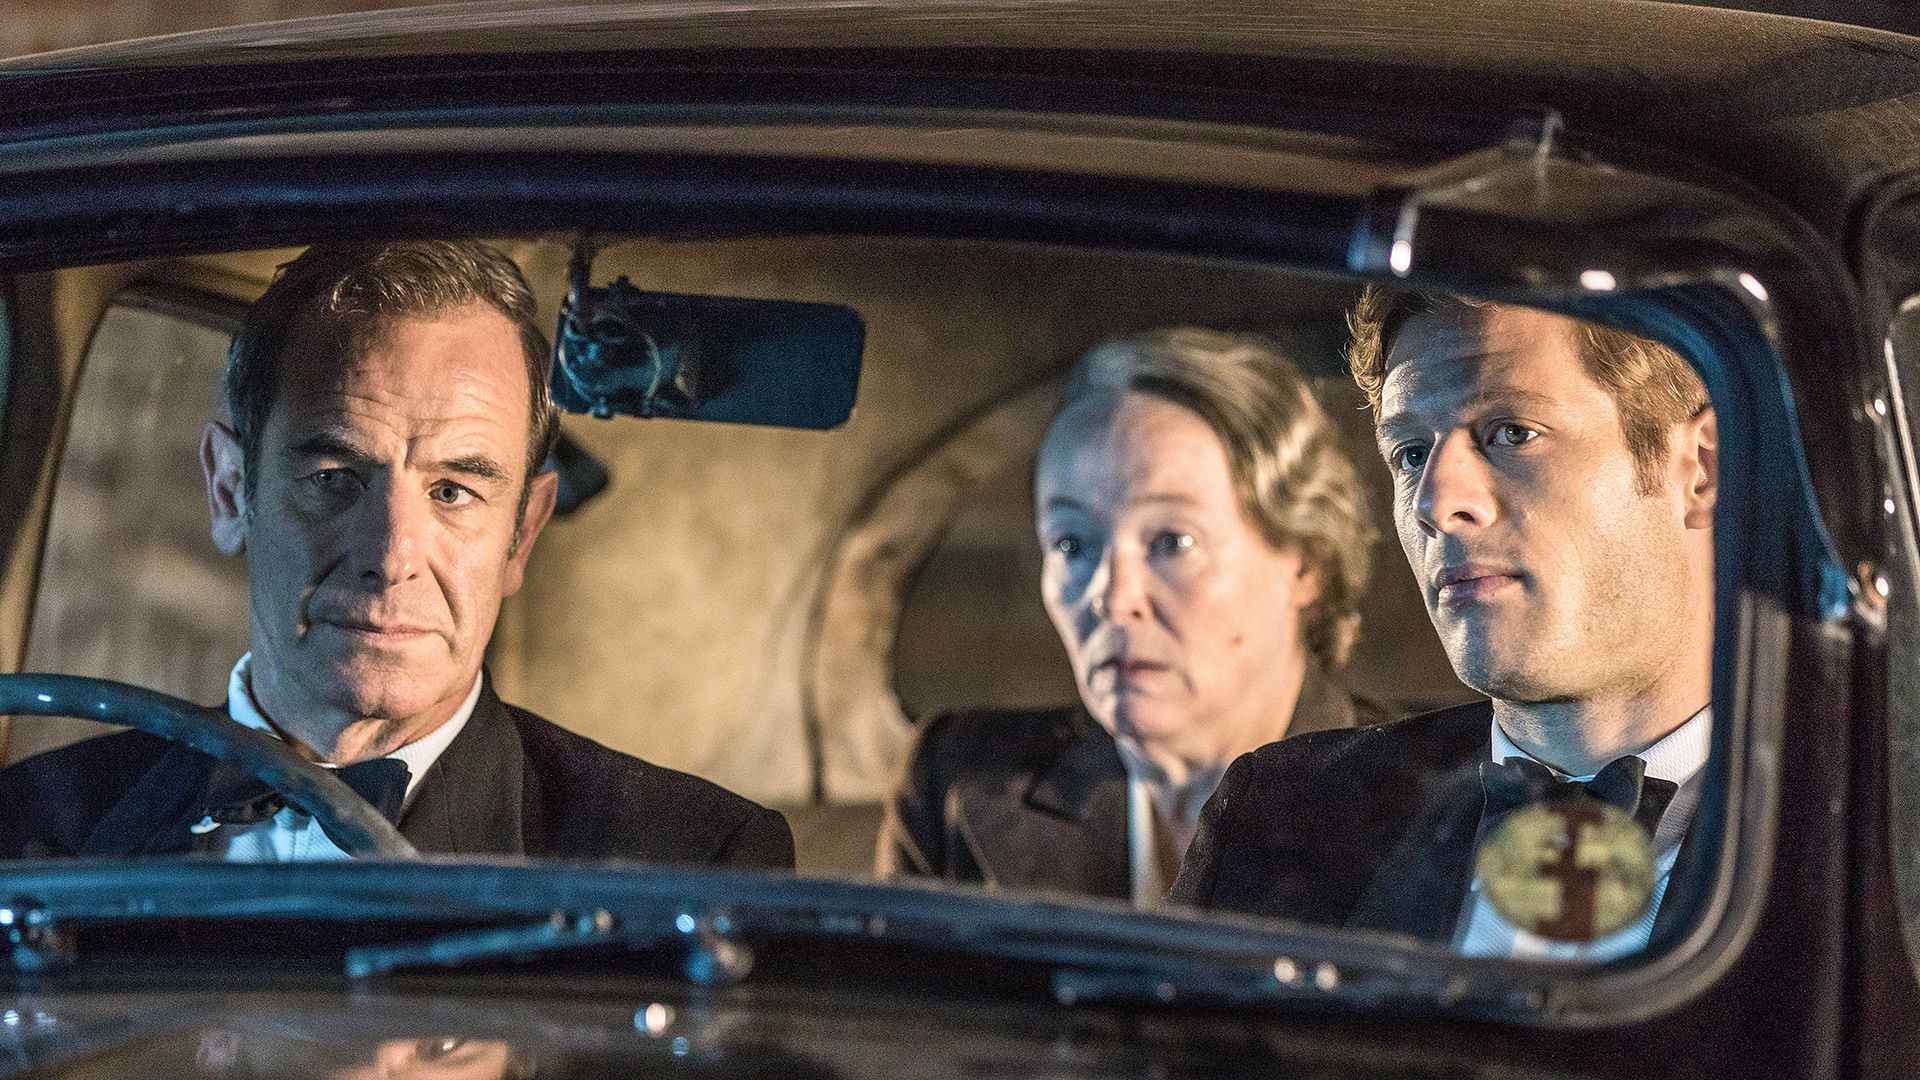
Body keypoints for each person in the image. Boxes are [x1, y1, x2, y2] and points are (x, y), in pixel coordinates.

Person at [0, 240, 793, 867]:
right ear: (231, 491)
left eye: (453, 491)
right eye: (335, 478)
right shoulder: (27, 826)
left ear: (522, 532)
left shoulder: (689, 860)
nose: (392, 555)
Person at [1169, 291, 1716, 960]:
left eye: (1512, 433)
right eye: (1409, 453)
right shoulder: (1284, 818)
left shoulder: (1837, 832)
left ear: (1701, 469)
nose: (1435, 499)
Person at [878, 328, 1385, 905]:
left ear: (1306, 563)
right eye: (1071, 544)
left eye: (1172, 541)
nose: (1115, 599)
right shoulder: (957, 781)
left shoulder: (1421, 804)